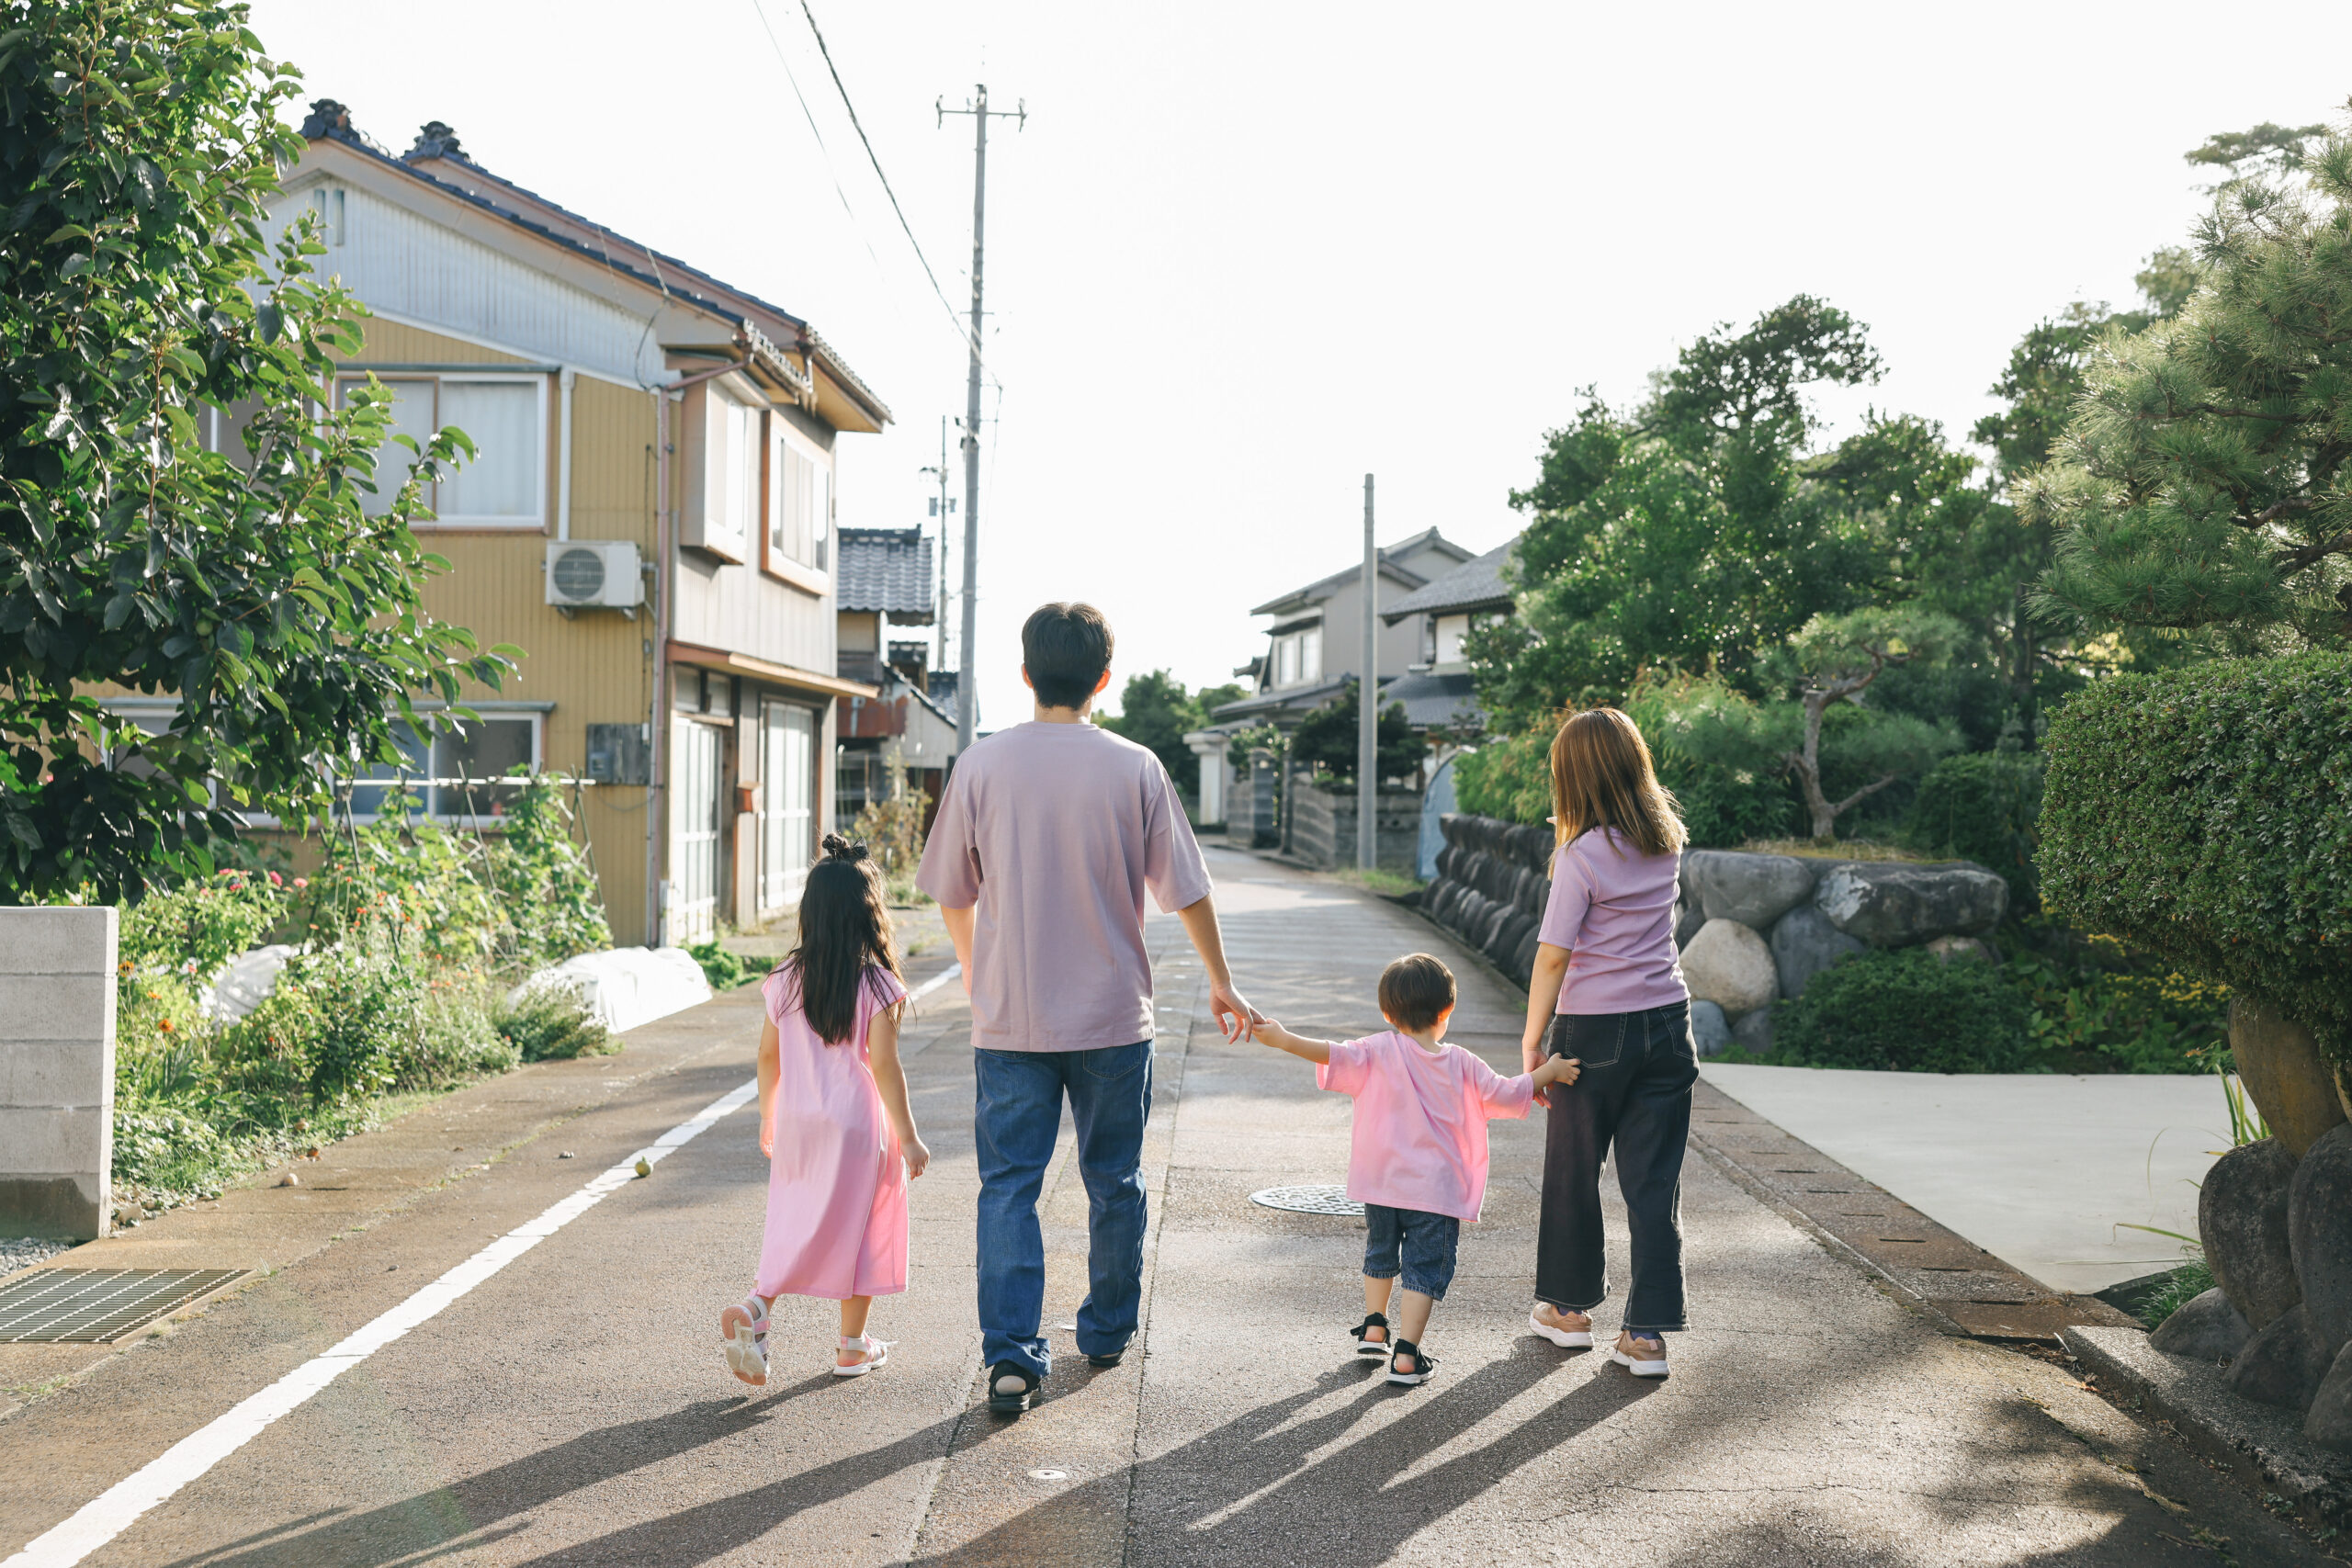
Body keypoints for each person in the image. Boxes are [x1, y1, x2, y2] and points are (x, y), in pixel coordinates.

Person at [917, 602, 1257, 1416]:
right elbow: (1188, 889)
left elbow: (951, 894)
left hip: (1010, 1021)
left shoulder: (982, 766)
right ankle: (1104, 1329)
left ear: (1026, 673)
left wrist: (976, 971)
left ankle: (1010, 1356)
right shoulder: (1136, 766)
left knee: (1007, 1188)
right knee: (1116, 1180)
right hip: (1113, 1019)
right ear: (1106, 678)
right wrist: (1221, 979)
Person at [1253, 953, 1581, 1387]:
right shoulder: (1462, 1062)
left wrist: (1281, 1038)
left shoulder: (1374, 1051)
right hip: (1436, 1192)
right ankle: (1406, 1354)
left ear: (1388, 1014)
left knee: (1381, 1252)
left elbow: (1329, 1051)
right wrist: (1549, 1071)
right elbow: (1505, 1093)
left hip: (1382, 1184)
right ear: (1446, 1011)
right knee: (1423, 1269)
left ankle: (1374, 1327)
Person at [1519, 707, 1695, 1379]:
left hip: (1594, 1031)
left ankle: (1566, 1312)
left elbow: (1553, 957)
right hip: (1668, 1024)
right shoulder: (1667, 840)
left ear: (1575, 777)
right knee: (1654, 1183)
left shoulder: (1580, 854)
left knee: (1573, 1169)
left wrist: (1533, 1039)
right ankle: (1646, 1334)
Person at [720, 834, 931, 1387]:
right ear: (869, 913)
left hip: (796, 1122)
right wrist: (908, 1137)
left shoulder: (785, 978)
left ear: (810, 912)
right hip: (857, 1127)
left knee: (792, 1218)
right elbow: (884, 1066)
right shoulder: (878, 982)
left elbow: (768, 1057)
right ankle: (852, 1346)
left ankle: (760, 1306)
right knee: (864, 1226)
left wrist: (770, 1116)